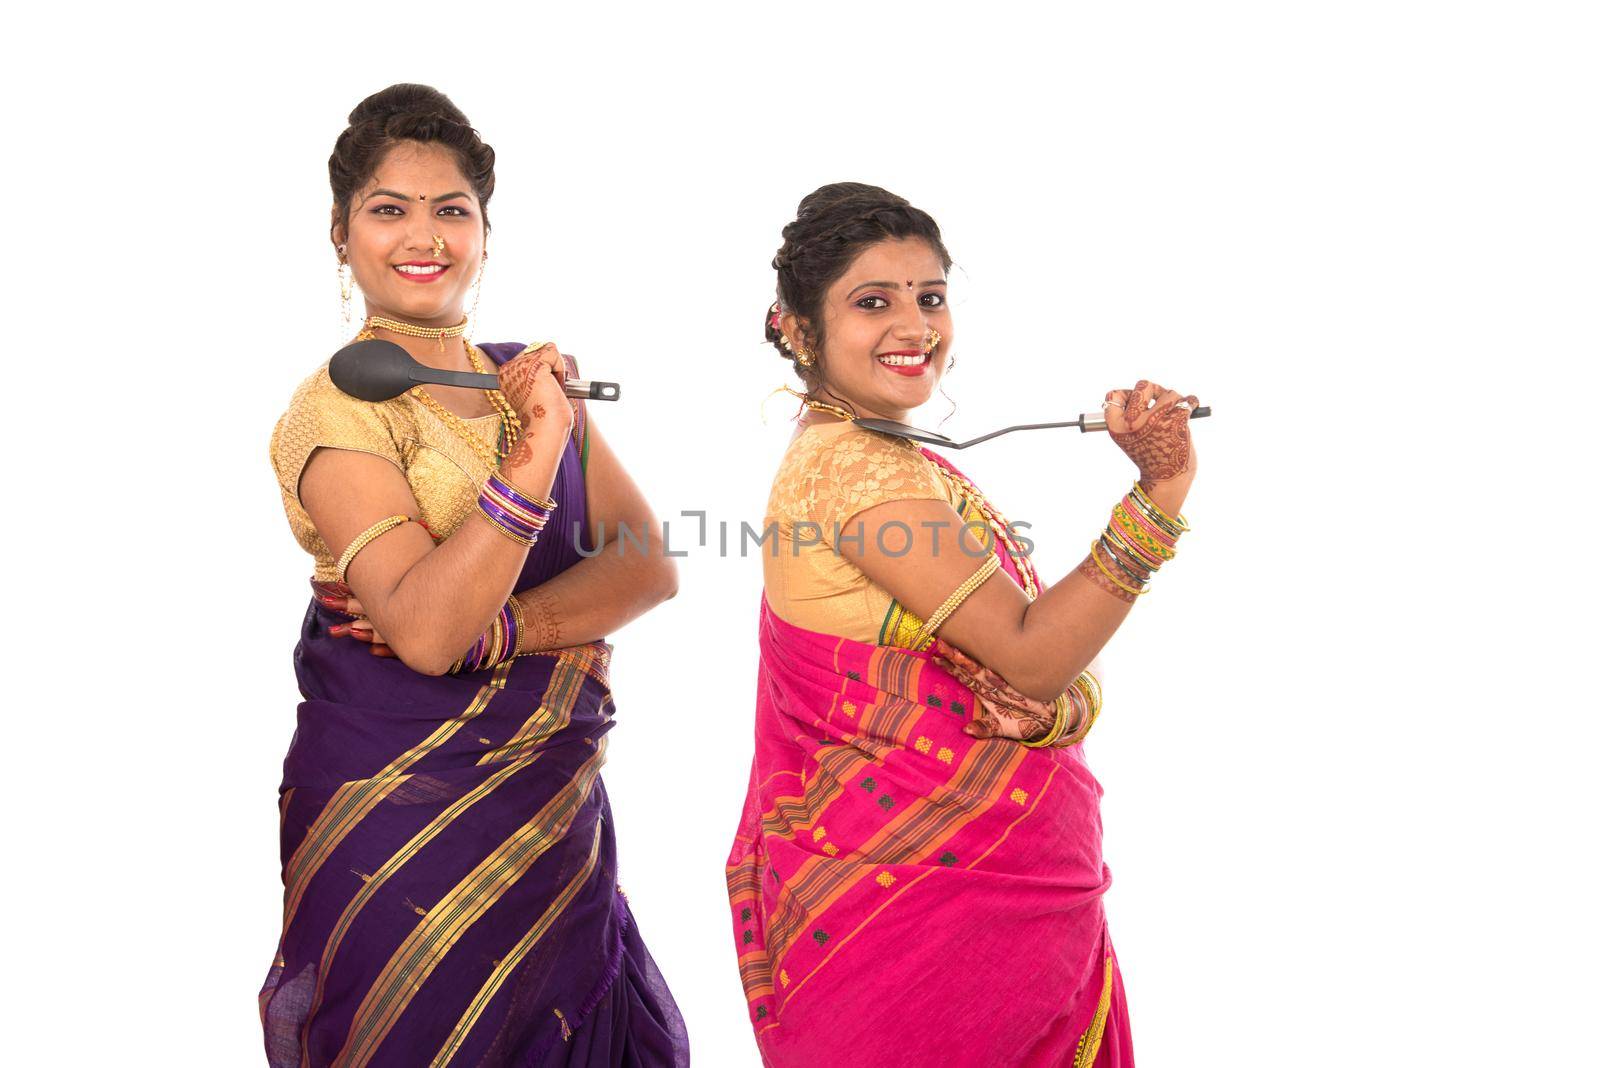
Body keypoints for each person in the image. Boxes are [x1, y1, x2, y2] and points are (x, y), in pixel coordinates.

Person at [262, 84, 689, 1067]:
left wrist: (502, 628)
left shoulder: (523, 378)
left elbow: (647, 564)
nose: (424, 236)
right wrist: (535, 451)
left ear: (485, 233)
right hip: (402, 832)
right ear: (340, 234)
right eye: (388, 209)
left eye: (451, 210)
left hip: (550, 830)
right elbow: (423, 633)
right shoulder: (335, 410)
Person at [726, 182, 1200, 1066]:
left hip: (966, 901)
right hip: (922, 928)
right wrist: (1158, 498)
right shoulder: (858, 475)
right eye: (874, 302)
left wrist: (1062, 706)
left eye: (930, 298)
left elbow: (1010, 670)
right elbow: (1029, 657)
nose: (914, 328)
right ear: (796, 328)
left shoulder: (874, 456)